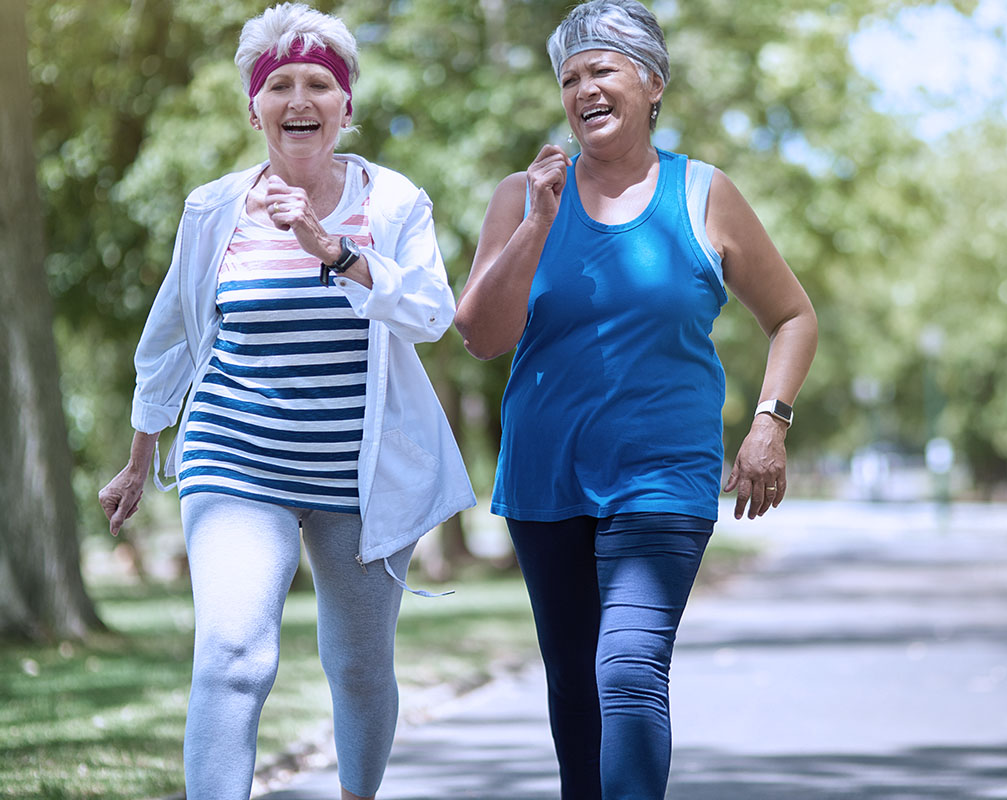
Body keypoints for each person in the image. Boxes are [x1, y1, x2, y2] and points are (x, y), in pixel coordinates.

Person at [97, 4, 474, 798]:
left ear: (346, 105)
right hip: (236, 459)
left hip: (360, 476)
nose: (298, 100)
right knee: (235, 655)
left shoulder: (395, 202)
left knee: (361, 668)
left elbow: (434, 315)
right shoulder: (213, 210)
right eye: (279, 85)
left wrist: (334, 250)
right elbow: (168, 339)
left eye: (317, 85)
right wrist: (139, 459)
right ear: (253, 106)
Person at [454, 1, 818, 796]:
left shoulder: (703, 193)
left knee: (627, 670)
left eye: (602, 70)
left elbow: (793, 316)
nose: (584, 88)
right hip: (546, 477)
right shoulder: (522, 195)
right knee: (575, 694)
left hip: (662, 477)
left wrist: (770, 424)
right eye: (570, 76)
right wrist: (536, 224)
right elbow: (480, 334)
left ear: (652, 83)